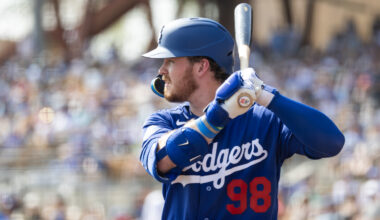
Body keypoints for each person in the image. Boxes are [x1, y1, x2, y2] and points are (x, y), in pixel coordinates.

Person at [139, 17, 345, 220]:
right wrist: (217, 116)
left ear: (201, 67)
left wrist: (266, 95)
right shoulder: (163, 122)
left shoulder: (264, 119)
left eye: (171, 61)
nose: (161, 70)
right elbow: (163, 160)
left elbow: (331, 142)